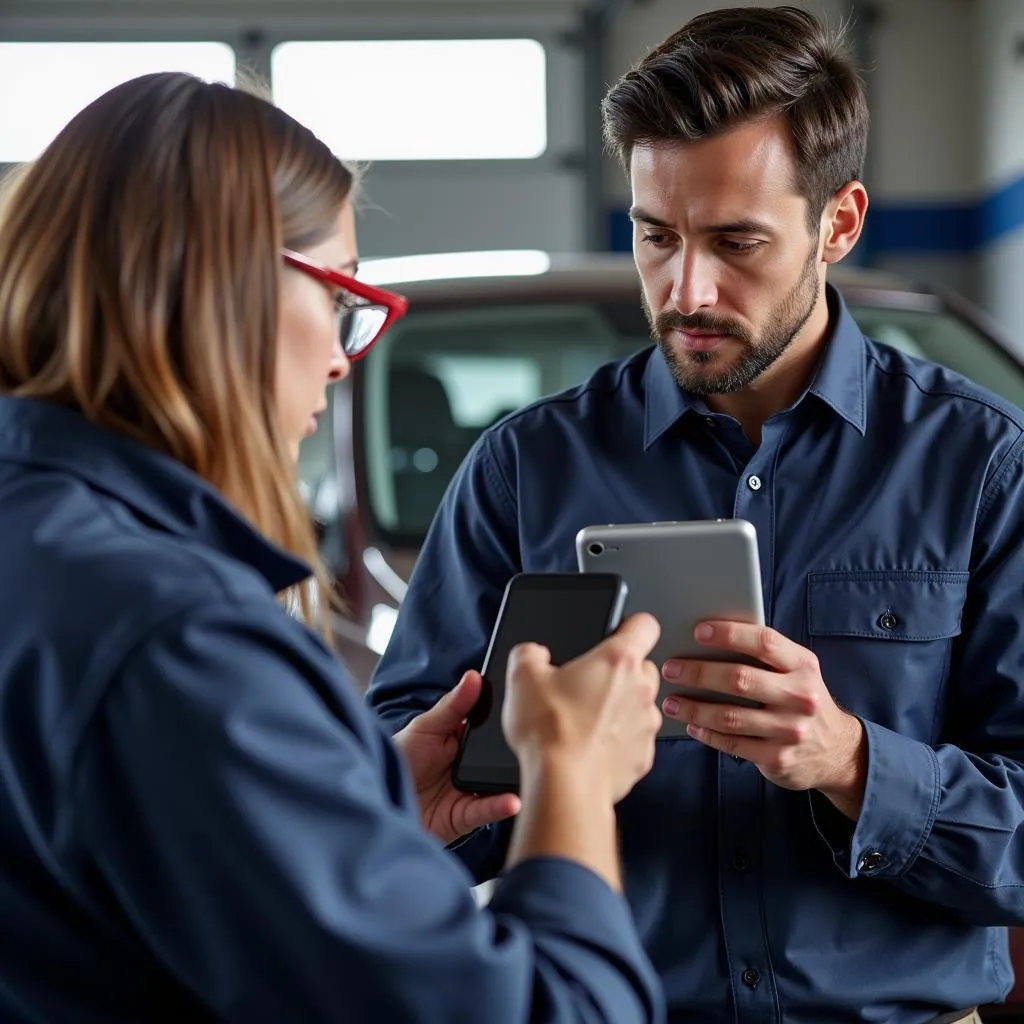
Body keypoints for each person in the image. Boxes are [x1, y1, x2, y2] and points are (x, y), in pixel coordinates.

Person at [367, 6, 1024, 1023]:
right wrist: (496, 781)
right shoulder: (521, 472)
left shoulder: (983, 467)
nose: (686, 288)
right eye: (654, 236)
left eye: (735, 241)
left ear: (838, 224)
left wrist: (854, 762)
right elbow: (403, 793)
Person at [0, 71, 669, 1023]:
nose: (340, 356)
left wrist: (364, 805)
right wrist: (571, 774)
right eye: (345, 294)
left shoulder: (40, 540)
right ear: (226, 282)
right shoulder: (179, 637)